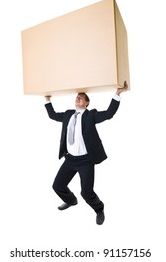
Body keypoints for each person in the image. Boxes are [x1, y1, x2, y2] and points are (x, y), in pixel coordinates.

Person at [44, 81, 128, 225]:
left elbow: (109, 114)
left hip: (86, 161)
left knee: (87, 193)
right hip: (70, 160)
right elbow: (52, 115)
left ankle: (99, 209)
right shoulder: (68, 114)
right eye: (77, 97)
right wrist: (47, 100)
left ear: (87, 103)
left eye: (81, 97)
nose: (78, 98)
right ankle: (71, 200)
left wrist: (118, 93)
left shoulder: (91, 116)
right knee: (57, 186)